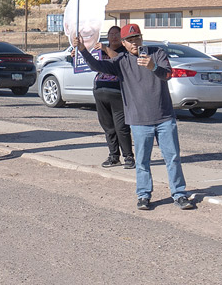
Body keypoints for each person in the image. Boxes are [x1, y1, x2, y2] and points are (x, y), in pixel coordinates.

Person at [76, 24, 195, 210]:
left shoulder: (157, 53)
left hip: (164, 117)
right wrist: (83, 50)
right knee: (142, 161)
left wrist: (152, 66)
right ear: (123, 43)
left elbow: (168, 74)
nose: (134, 43)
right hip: (139, 120)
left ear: (142, 38)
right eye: (129, 40)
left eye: (137, 38)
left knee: (172, 158)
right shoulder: (121, 61)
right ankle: (143, 195)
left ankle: (179, 194)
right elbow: (96, 65)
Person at [93, 26, 135, 169]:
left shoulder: (125, 51)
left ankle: (128, 156)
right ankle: (113, 156)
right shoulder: (99, 50)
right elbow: (90, 63)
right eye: (111, 34)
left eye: (117, 34)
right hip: (100, 91)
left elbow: (117, 59)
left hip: (118, 93)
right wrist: (78, 55)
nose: (113, 37)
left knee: (121, 127)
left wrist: (105, 49)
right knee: (108, 127)